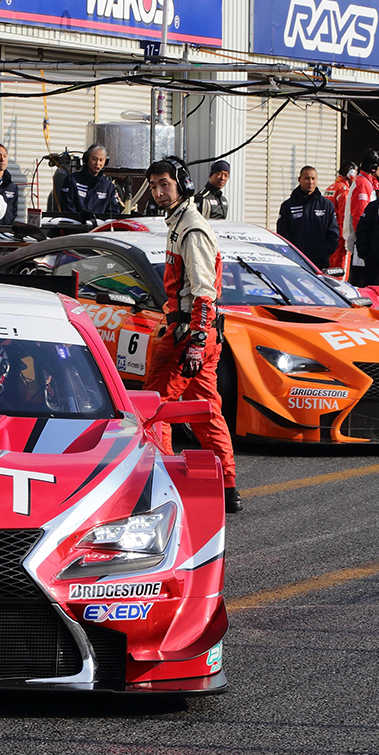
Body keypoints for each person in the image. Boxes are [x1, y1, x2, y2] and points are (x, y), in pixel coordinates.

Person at [140, 159, 240, 514]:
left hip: (190, 335)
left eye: (164, 184)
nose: (158, 192)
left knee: (154, 407)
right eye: (154, 186)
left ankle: (159, 485)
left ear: (182, 184)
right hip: (202, 334)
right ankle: (227, 486)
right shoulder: (180, 223)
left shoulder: (192, 229)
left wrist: (195, 341)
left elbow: (204, 292)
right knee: (206, 410)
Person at [276, 166, 337, 269]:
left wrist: (325, 250)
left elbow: (333, 232)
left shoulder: (326, 205)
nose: (310, 182)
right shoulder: (288, 205)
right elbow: (283, 233)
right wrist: (291, 253)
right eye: (307, 178)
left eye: (313, 178)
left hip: (320, 263)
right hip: (295, 262)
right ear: (299, 179)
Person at [340, 152, 379, 278]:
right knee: (360, 280)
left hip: (362, 241)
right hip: (360, 243)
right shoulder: (362, 184)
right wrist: (363, 245)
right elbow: (360, 216)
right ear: (373, 167)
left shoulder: (366, 182)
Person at [57, 144, 121, 219]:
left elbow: (113, 213)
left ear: (105, 162)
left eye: (101, 160)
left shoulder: (108, 186)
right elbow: (68, 209)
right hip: (76, 225)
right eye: (94, 159)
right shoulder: (71, 180)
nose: (97, 163)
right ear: (86, 159)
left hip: (101, 226)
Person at [0, 144, 21, 226]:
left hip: (6, 230)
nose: (2, 159)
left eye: (5, 156)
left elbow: (13, 212)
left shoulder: (12, 187)